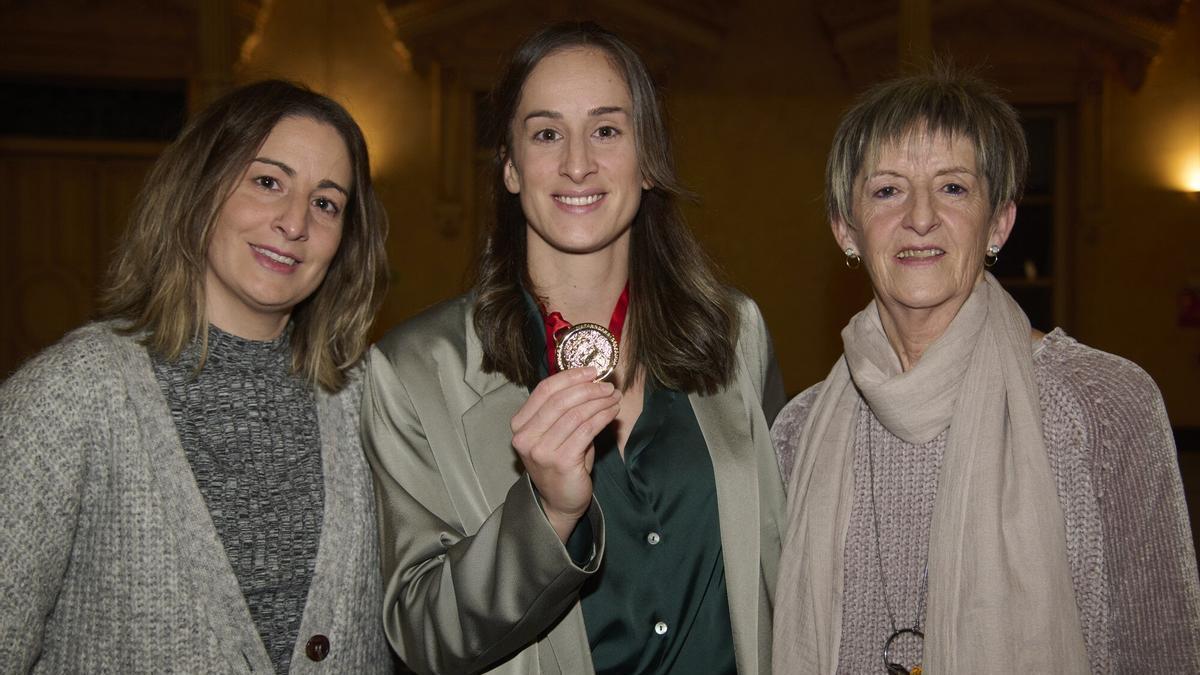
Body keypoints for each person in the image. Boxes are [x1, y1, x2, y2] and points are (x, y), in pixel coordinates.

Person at [363, 21, 786, 675]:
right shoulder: (415, 371)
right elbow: (423, 638)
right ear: (509, 165)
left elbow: (782, 558)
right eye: (546, 133)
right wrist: (546, 514)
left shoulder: (738, 334)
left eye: (608, 130)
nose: (578, 162)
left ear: (648, 159)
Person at [771, 67, 1200, 674]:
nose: (921, 218)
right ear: (847, 229)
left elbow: (1164, 653)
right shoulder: (797, 430)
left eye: (952, 188)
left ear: (999, 222)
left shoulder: (1107, 405)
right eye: (887, 191)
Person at [0, 80, 394, 673]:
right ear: (200, 189)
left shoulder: (371, 399)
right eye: (268, 182)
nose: (294, 222)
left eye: (326, 202)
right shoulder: (71, 395)